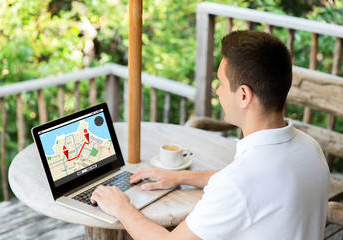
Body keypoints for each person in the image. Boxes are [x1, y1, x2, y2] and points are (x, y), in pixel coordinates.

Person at [91, 30, 330, 239]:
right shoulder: (310, 148)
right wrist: (180, 177)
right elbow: (255, 184)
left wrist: (122, 207)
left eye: (221, 83)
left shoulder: (240, 181)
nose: (217, 91)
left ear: (244, 95)